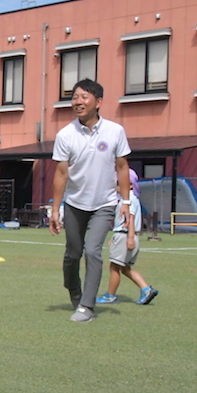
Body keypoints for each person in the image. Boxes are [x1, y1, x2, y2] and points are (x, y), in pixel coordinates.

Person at [50, 79, 131, 323]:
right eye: (75, 97)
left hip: (105, 204)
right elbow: (61, 174)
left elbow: (122, 167)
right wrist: (55, 209)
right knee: (73, 254)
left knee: (92, 251)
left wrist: (125, 202)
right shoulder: (65, 135)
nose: (78, 102)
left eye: (84, 97)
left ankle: (87, 306)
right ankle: (74, 290)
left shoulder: (115, 131)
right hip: (75, 203)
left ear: (99, 102)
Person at [97, 170, 158, 306]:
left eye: (118, 184)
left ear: (129, 185)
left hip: (126, 236)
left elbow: (130, 219)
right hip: (126, 235)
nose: (116, 187)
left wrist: (128, 237)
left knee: (114, 267)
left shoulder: (128, 199)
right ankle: (146, 289)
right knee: (125, 269)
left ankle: (110, 296)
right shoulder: (132, 199)